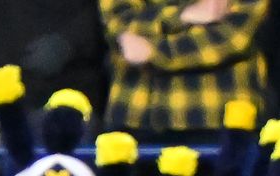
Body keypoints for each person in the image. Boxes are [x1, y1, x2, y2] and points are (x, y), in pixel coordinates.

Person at [101, 0, 268, 140]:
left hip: (215, 119)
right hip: (133, 115)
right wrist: (183, 15)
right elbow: (120, 22)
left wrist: (152, 52)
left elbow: (231, 37)